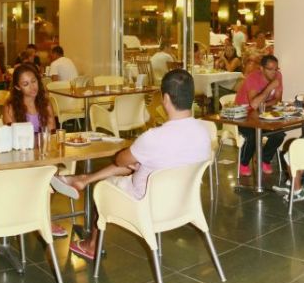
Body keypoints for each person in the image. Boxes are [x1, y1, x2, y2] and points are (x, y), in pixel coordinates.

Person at [57, 68, 212, 261]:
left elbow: (120, 160)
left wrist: (130, 155)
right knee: (136, 163)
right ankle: (82, 179)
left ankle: (91, 245)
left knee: (103, 188)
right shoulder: (203, 132)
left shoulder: (154, 138)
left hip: (145, 205)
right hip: (183, 203)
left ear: (165, 99)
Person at [234, 54, 286, 178]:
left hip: (263, 115)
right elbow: (253, 104)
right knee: (251, 135)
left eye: (276, 69)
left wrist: (263, 104)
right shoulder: (252, 78)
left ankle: (264, 159)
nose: (274, 72)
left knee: (279, 134)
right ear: (262, 69)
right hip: (243, 115)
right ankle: (243, 163)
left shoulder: (278, 76)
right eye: (270, 69)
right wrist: (269, 88)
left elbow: (278, 100)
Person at [0, 64, 57, 134]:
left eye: (33, 81)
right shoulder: (10, 107)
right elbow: (10, 135)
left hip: (43, 140)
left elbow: (51, 132)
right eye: (25, 84)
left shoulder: (46, 103)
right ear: (18, 87)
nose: (32, 87)